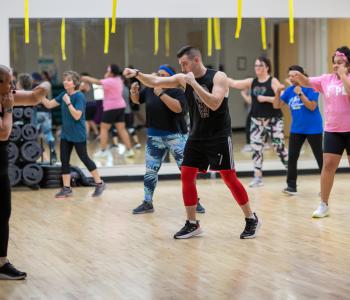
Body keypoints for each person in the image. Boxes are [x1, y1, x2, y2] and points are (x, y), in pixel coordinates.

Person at [123, 46, 260, 239]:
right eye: (180, 64)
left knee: (229, 178)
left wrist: (193, 84)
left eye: (184, 63)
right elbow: (154, 80)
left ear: (196, 60)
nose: (182, 67)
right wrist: (137, 74)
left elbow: (214, 103)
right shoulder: (181, 78)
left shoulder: (218, 77)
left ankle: (251, 218)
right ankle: (192, 223)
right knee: (187, 174)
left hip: (219, 136)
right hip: (196, 136)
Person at [129, 64, 205, 214]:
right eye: (159, 74)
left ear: (171, 77)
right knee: (150, 171)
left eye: (164, 75)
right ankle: (147, 202)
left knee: (186, 171)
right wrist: (134, 92)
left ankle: (195, 201)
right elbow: (137, 100)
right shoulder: (151, 88)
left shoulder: (178, 91)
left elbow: (178, 109)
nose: (160, 77)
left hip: (176, 137)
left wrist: (161, 94)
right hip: (154, 137)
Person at [0, 64, 47, 279]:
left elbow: (35, 98)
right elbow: (3, 132)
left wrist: (44, 85)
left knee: (3, 213)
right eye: (9, 81)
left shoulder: (7, 95)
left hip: (1, 167)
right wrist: (9, 109)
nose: (13, 85)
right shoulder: (6, 100)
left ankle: (1, 264)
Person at [294, 46, 350, 218]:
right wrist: (300, 77)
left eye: (340, 63)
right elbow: (307, 82)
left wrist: (343, 76)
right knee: (328, 166)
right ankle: (324, 204)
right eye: (334, 63)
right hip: (333, 130)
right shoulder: (326, 80)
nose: (335, 66)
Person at [40, 70, 106, 198]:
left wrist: (68, 102)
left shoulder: (79, 96)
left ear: (75, 83)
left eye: (68, 80)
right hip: (66, 134)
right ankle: (66, 188)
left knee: (84, 158)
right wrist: (39, 95)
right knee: (64, 160)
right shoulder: (63, 94)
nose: (65, 81)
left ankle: (99, 183)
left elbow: (77, 116)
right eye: (64, 79)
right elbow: (48, 105)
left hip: (78, 134)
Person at [227, 57, 288, 187]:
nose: (257, 68)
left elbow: (283, 99)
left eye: (259, 65)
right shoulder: (252, 82)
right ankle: (258, 177)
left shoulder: (273, 81)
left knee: (279, 147)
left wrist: (266, 98)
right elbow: (234, 83)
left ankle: (291, 173)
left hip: (274, 120)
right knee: (256, 149)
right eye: (255, 66)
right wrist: (218, 77)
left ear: (267, 67)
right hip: (257, 121)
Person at [273, 65, 323, 195]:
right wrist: (278, 92)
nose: (291, 78)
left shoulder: (312, 87)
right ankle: (291, 186)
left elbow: (312, 107)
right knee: (292, 157)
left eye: (294, 75)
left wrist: (300, 93)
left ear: (301, 75)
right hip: (297, 129)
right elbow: (277, 105)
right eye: (290, 76)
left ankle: (325, 187)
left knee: (320, 158)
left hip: (314, 128)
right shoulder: (289, 91)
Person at [81, 64, 135, 158]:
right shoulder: (119, 80)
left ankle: (103, 150)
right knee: (121, 129)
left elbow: (97, 82)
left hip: (111, 108)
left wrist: (86, 77)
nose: (106, 72)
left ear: (111, 72)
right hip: (120, 107)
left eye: (108, 71)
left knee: (104, 128)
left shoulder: (110, 80)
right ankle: (130, 150)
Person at [32, 72, 57, 163]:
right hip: (46, 113)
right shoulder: (43, 87)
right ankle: (52, 152)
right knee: (48, 134)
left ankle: (42, 154)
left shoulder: (32, 87)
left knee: (33, 136)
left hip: (37, 113)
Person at [79, 73, 99, 139]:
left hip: (88, 105)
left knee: (86, 121)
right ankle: (96, 133)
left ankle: (86, 137)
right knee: (90, 120)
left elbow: (78, 90)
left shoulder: (85, 84)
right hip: (93, 105)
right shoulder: (90, 84)